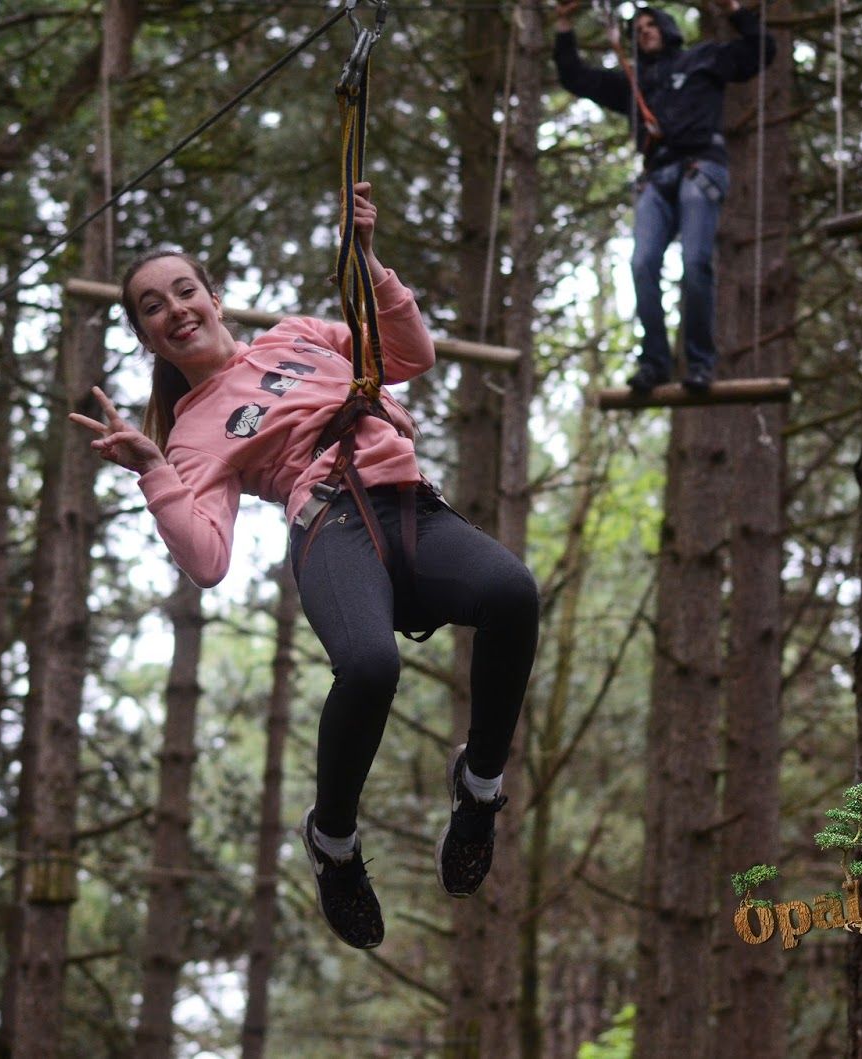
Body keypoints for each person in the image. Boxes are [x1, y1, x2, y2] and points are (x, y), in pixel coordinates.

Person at [71, 182, 541, 950]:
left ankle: (480, 786)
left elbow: (409, 355)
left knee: (512, 592)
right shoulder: (193, 432)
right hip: (332, 526)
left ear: (214, 297)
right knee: (367, 665)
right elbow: (208, 561)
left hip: (409, 505)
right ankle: (333, 839)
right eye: (153, 307)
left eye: (184, 289)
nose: (175, 308)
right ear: (147, 337)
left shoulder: (294, 335)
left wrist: (369, 263)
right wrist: (155, 470)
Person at [553, 0, 774, 394]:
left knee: (696, 262)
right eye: (637, 29)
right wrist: (565, 26)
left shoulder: (704, 60)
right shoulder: (634, 83)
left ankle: (701, 364)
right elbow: (576, 78)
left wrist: (737, 12)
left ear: (668, 28)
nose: (644, 32)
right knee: (642, 263)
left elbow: (760, 51)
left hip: (699, 169)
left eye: (651, 25)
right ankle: (654, 363)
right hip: (657, 176)